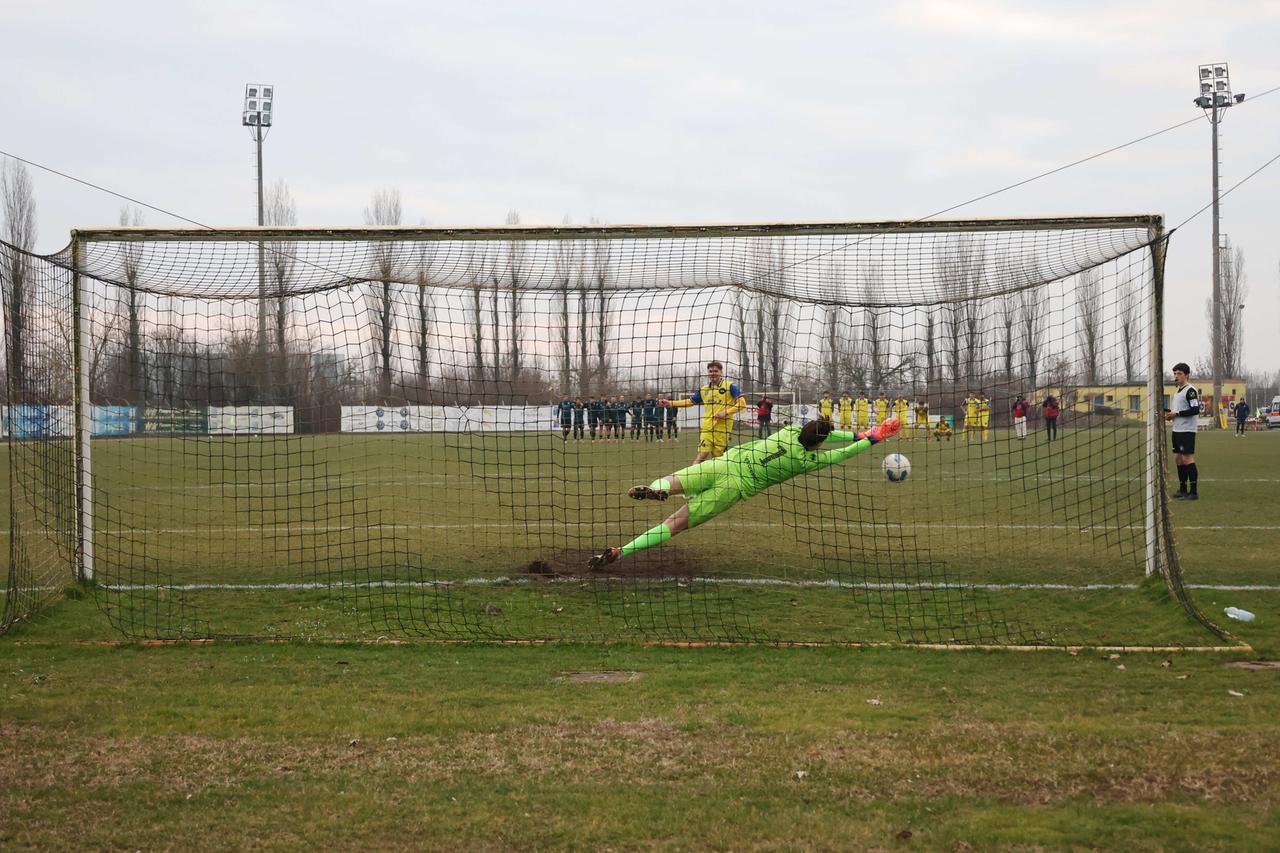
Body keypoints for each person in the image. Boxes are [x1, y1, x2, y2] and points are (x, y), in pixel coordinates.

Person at [589, 418, 902, 569]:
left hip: (724, 464)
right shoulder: (806, 460)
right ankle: (622, 551)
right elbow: (841, 451)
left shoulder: (789, 431)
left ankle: (657, 489)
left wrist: (862, 433)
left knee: (672, 480)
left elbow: (824, 433)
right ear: (818, 443)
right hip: (734, 488)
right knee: (675, 524)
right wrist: (871, 437)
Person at [660, 361, 745, 462]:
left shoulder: (730, 386)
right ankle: (692, 473)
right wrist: (671, 403)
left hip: (723, 429)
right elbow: (690, 402)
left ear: (721, 372)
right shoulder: (704, 390)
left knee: (718, 459)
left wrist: (725, 413)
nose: (713, 373)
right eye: (710, 371)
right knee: (702, 455)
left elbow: (742, 404)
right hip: (707, 427)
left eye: (716, 371)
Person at [1164, 363, 1200, 500]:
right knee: (1178, 459)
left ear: (1186, 375)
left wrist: (1176, 414)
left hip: (1187, 430)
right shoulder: (1178, 391)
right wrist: (1170, 414)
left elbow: (1195, 410)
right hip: (1177, 429)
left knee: (1186, 458)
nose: (1176, 376)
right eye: (1174, 373)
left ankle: (1193, 492)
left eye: (1179, 373)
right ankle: (1183, 490)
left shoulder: (1190, 391)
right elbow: (1178, 411)